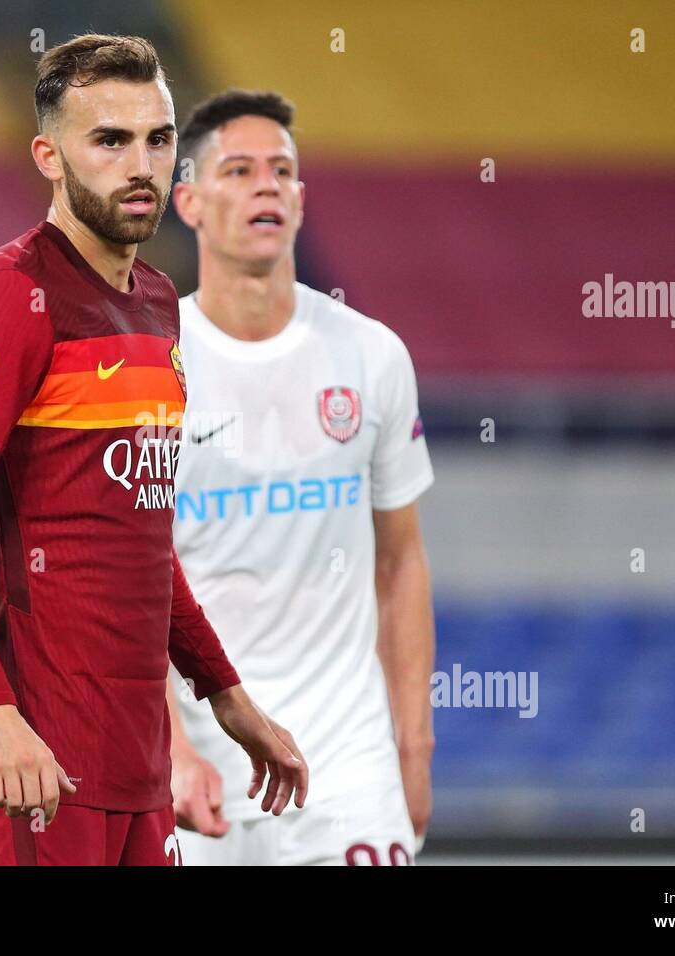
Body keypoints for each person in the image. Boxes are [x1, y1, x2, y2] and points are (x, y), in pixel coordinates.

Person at [0, 37, 306, 866]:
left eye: (157, 138)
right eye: (109, 141)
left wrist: (224, 692)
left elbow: (138, 537)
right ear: (49, 155)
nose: (141, 163)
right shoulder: (10, 296)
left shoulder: (155, 303)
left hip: (134, 761)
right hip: (28, 759)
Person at [166, 90, 436, 866]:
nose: (266, 186)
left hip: (346, 768)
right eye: (241, 169)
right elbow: (132, 579)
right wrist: (172, 750)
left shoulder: (371, 354)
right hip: (203, 768)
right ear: (189, 199)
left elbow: (401, 559)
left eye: (282, 171)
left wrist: (411, 748)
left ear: (301, 200)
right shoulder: (154, 364)